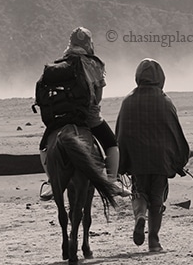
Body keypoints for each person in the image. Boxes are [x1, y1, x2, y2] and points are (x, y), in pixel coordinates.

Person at [39, 27, 131, 200]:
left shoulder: (59, 64)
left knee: (44, 147)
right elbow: (97, 98)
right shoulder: (94, 64)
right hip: (89, 118)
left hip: (62, 118)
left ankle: (52, 181)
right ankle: (113, 181)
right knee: (111, 144)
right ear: (89, 43)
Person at [116, 59, 190, 252]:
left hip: (137, 160)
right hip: (160, 160)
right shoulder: (165, 101)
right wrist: (180, 159)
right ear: (160, 78)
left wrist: (121, 162)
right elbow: (175, 132)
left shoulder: (128, 101)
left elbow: (121, 133)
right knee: (157, 198)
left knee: (139, 192)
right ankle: (154, 241)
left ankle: (140, 216)